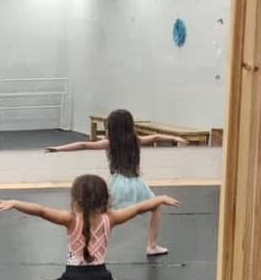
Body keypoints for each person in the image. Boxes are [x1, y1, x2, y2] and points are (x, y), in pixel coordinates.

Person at [0, 174, 180, 280]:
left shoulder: (70, 219)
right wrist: (160, 199)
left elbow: (40, 210)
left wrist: (15, 203)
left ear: (76, 199)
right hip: (101, 279)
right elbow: (139, 208)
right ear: (104, 198)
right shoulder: (111, 218)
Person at [45, 109, 189, 256]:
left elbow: (83, 145)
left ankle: (87, 245)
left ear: (112, 128)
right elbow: (156, 137)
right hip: (138, 185)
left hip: (119, 185)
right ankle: (152, 245)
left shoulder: (110, 143)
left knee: (100, 213)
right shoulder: (136, 140)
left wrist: (58, 148)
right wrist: (176, 138)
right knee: (156, 206)